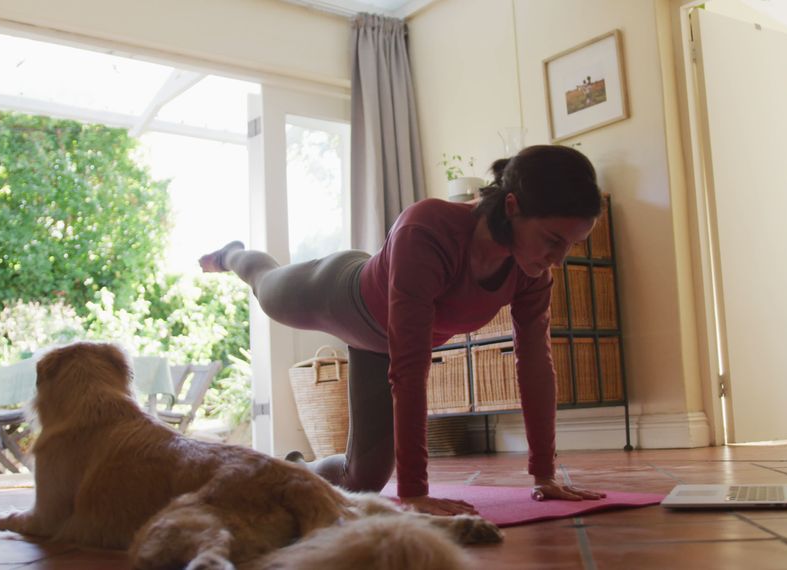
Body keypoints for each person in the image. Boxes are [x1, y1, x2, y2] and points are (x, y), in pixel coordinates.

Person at [200, 144, 607, 516]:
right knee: (267, 285)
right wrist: (414, 492)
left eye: (570, 246)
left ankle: (292, 469)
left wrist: (545, 475)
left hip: (382, 344)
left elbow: (535, 362)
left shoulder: (530, 271)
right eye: (553, 240)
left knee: (362, 481)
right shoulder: (427, 229)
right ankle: (233, 254)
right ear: (514, 206)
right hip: (340, 294)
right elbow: (410, 366)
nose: (558, 259)